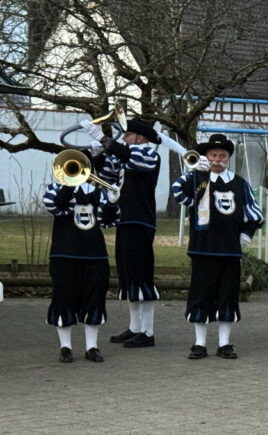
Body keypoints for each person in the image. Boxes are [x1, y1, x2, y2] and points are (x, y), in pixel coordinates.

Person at [83, 118, 184, 348]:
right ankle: (135, 327)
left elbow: (130, 158)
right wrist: (98, 156)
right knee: (128, 274)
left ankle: (148, 331)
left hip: (140, 220)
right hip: (125, 218)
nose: (124, 138)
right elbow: (108, 176)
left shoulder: (148, 154)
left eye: (127, 135)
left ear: (140, 137)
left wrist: (103, 138)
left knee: (141, 274)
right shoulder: (126, 154)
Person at [171, 134, 264, 359]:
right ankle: (199, 343)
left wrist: (246, 235)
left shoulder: (240, 183)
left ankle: (225, 343)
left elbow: (254, 214)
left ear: (228, 158)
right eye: (213, 155)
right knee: (200, 296)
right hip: (202, 249)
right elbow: (178, 193)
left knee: (227, 296)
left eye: (222, 156)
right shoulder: (196, 178)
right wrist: (196, 173)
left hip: (230, 250)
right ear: (206, 156)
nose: (218, 160)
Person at [42, 171, 120, 363]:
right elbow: (57, 206)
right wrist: (70, 184)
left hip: (95, 254)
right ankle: (65, 347)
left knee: (95, 298)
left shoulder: (98, 192)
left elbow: (107, 221)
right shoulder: (56, 188)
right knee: (63, 299)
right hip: (64, 254)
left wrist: (111, 202)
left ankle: (91, 347)